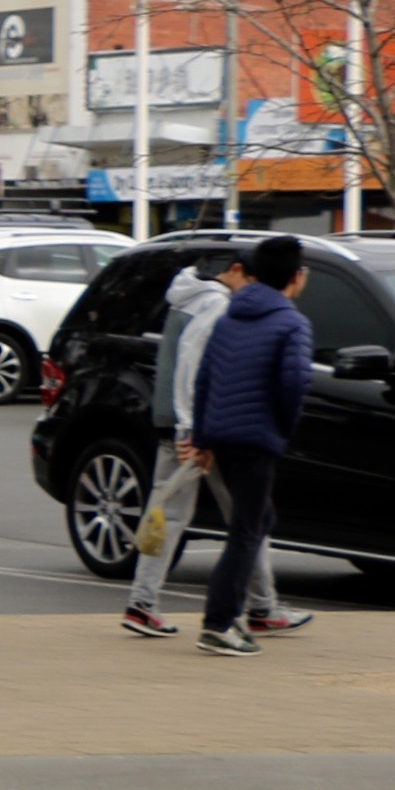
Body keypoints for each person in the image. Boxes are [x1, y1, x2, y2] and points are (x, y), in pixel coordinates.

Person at [120, 250, 300, 639]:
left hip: (170, 419)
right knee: (247, 519)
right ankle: (263, 607)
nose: (250, 291)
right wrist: (192, 430)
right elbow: (194, 365)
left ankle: (142, 603)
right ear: (236, 271)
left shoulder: (185, 293)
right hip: (198, 430)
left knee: (168, 513)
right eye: (250, 281)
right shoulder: (215, 304)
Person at [188, 230, 316, 658]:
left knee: (257, 520)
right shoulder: (292, 323)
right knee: (245, 532)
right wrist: (282, 426)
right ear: (296, 278)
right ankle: (219, 623)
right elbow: (295, 382)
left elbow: (205, 378)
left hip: (224, 436)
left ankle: (241, 614)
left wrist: (203, 438)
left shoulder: (230, 317)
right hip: (257, 439)